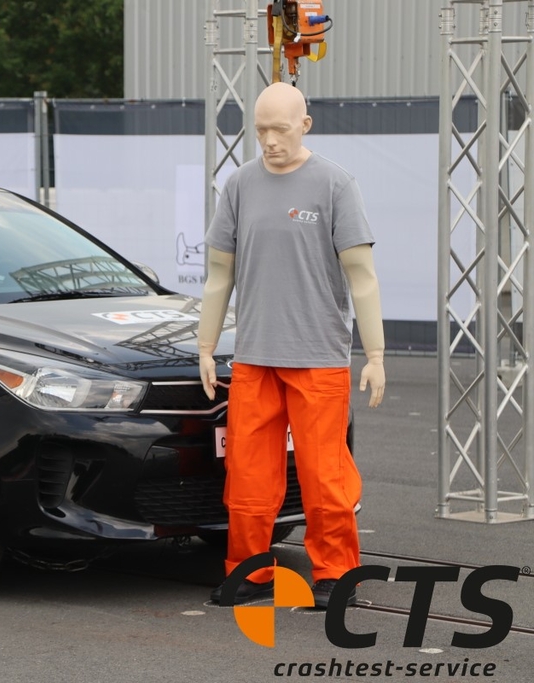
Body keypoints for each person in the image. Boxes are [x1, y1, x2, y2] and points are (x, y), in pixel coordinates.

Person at [199, 82, 385, 609]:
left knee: (325, 475)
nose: (270, 140)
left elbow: (362, 276)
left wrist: (375, 355)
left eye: (280, 128)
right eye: (260, 130)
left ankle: (334, 574)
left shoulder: (334, 185)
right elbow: (219, 275)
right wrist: (206, 347)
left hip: (319, 359)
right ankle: (248, 572)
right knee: (248, 476)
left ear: (305, 124)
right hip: (255, 357)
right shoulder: (239, 185)